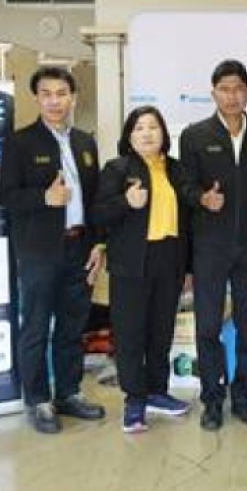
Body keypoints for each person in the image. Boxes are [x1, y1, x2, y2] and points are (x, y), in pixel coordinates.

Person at [0, 67, 106, 434]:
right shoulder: (20, 142)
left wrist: (98, 244)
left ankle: (69, 393)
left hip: (80, 247)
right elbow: (7, 196)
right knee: (36, 327)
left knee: (73, 327)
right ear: (37, 98)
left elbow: (95, 200)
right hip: (39, 251)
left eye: (61, 93)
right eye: (46, 94)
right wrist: (44, 197)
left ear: (72, 98)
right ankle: (38, 400)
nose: (54, 101)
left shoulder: (86, 143)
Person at [178, 60, 247, 431]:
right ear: (214, 93)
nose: (232, 96)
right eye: (224, 89)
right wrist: (202, 198)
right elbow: (184, 187)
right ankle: (212, 399)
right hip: (210, 246)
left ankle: (244, 398)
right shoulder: (195, 135)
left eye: (238, 89)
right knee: (208, 327)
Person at [92, 106, 190, 433]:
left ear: (163, 133)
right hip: (131, 262)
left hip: (170, 259)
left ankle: (158, 392)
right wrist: (125, 202)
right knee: (131, 333)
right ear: (129, 136)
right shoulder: (117, 168)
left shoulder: (177, 170)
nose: (147, 133)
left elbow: (189, 221)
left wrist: (188, 267)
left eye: (153, 127)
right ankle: (135, 399)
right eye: (139, 127)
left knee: (161, 332)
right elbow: (98, 214)